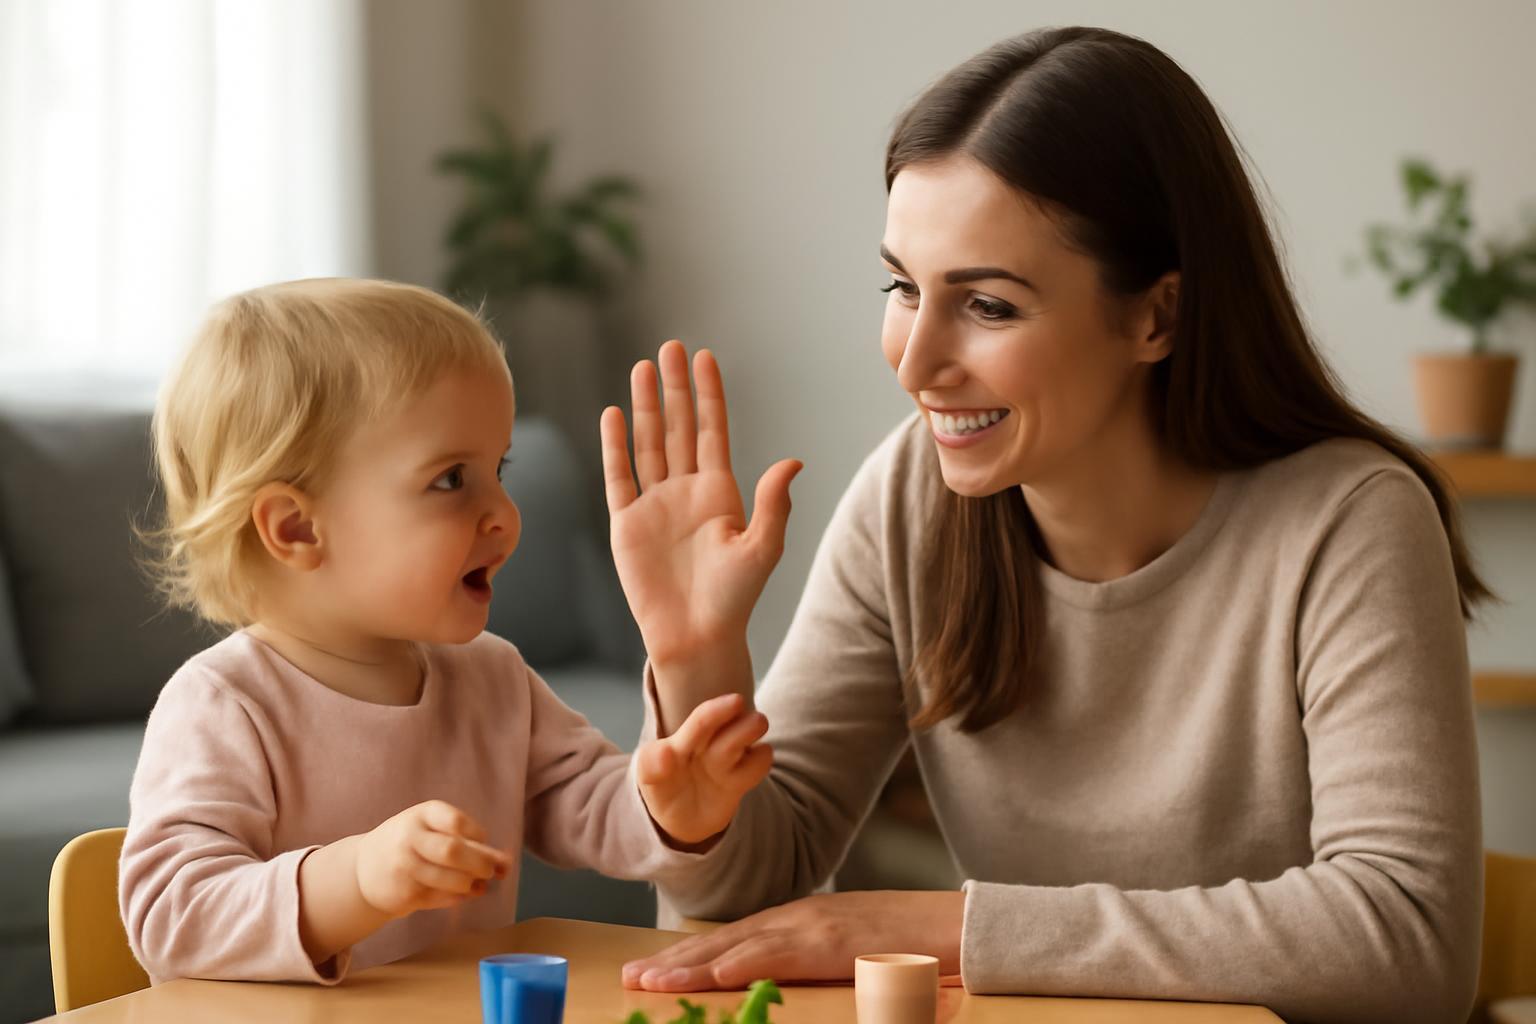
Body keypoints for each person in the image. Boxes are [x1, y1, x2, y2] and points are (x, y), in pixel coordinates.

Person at [602, 26, 1486, 1024]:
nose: (915, 361)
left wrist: (951, 929)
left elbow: (1409, 940)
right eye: (902, 288)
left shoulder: (1349, 521)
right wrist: (696, 665)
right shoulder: (910, 498)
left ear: (1155, 317)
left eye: (986, 304)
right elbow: (741, 910)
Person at [119, 278, 780, 984]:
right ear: (297, 528)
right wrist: (356, 879)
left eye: (498, 469)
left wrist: (668, 808)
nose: (504, 512)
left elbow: (589, 806)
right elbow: (170, 915)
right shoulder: (226, 703)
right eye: (450, 480)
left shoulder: (493, 677)